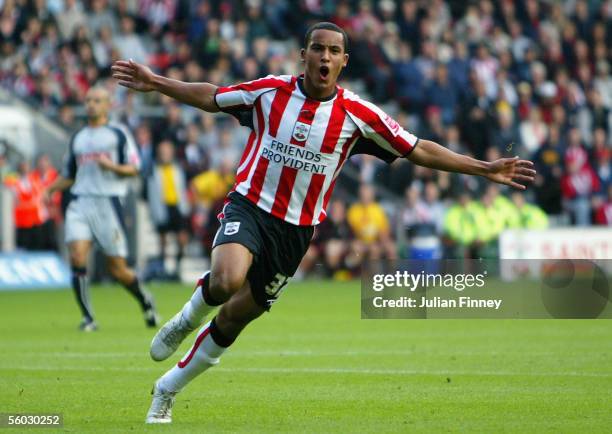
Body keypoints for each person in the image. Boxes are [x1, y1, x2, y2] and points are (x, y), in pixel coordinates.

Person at [111, 22, 535, 424]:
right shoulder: (270, 92)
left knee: (236, 317)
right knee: (224, 280)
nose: (325, 57)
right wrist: (156, 82)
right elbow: (213, 96)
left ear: (344, 61)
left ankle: (167, 389)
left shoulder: (358, 115)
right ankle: (186, 319)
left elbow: (418, 148)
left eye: (334, 51)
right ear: (304, 55)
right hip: (250, 206)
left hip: (295, 233)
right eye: (318, 49)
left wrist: (484, 168)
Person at [46, 86, 159, 332]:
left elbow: (135, 167)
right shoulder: (78, 138)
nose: (91, 105)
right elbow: (69, 175)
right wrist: (49, 190)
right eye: (88, 100)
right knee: (77, 255)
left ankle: (145, 300)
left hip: (109, 202)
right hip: (80, 202)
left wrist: (112, 167)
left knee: (118, 270)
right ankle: (88, 318)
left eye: (97, 100)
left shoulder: (118, 134)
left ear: (108, 105)